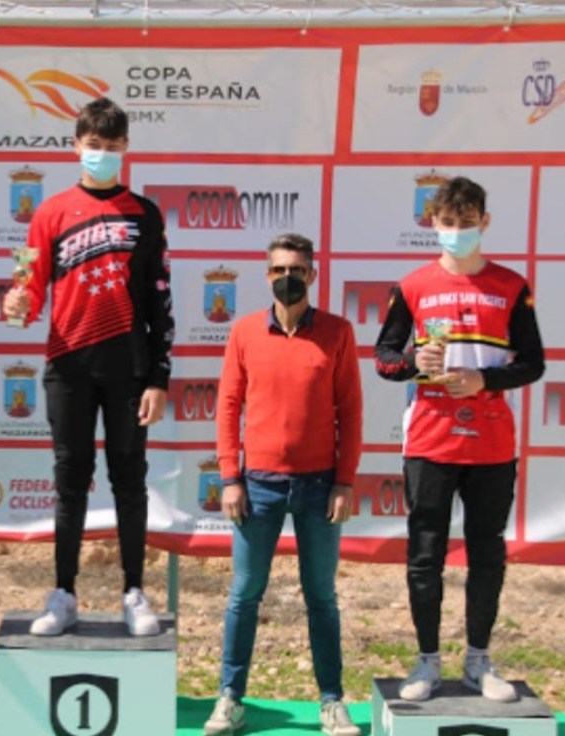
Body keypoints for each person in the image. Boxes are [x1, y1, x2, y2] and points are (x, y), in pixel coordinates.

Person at [2, 97, 174, 638]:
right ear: (76, 146)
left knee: (129, 481)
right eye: (94, 145)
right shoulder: (50, 213)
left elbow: (161, 301)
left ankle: (134, 591)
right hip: (68, 366)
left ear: (126, 149)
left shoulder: (145, 213)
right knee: (69, 482)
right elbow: (27, 290)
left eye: (112, 146)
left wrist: (159, 378)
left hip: (129, 368)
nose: (102, 154)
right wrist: (16, 305)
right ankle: (64, 593)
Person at [374, 176, 545, 703]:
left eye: (467, 223)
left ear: (484, 223)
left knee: (486, 552)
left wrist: (484, 380)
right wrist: (413, 361)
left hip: (490, 441)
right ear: (433, 223)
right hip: (430, 439)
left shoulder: (512, 286)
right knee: (425, 553)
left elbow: (534, 363)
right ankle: (427, 660)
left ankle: (478, 660)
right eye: (448, 223)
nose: (457, 231)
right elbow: (384, 358)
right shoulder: (412, 285)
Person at [205, 234, 363, 736]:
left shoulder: (338, 333)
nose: (287, 278)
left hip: (320, 487)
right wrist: (230, 477)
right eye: (278, 270)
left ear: (312, 275)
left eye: (296, 269)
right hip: (258, 486)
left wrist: (345, 482)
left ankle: (331, 701)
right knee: (244, 594)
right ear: (267, 274)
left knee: (321, 597)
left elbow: (351, 412)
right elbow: (228, 407)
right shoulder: (244, 331)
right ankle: (230, 698)